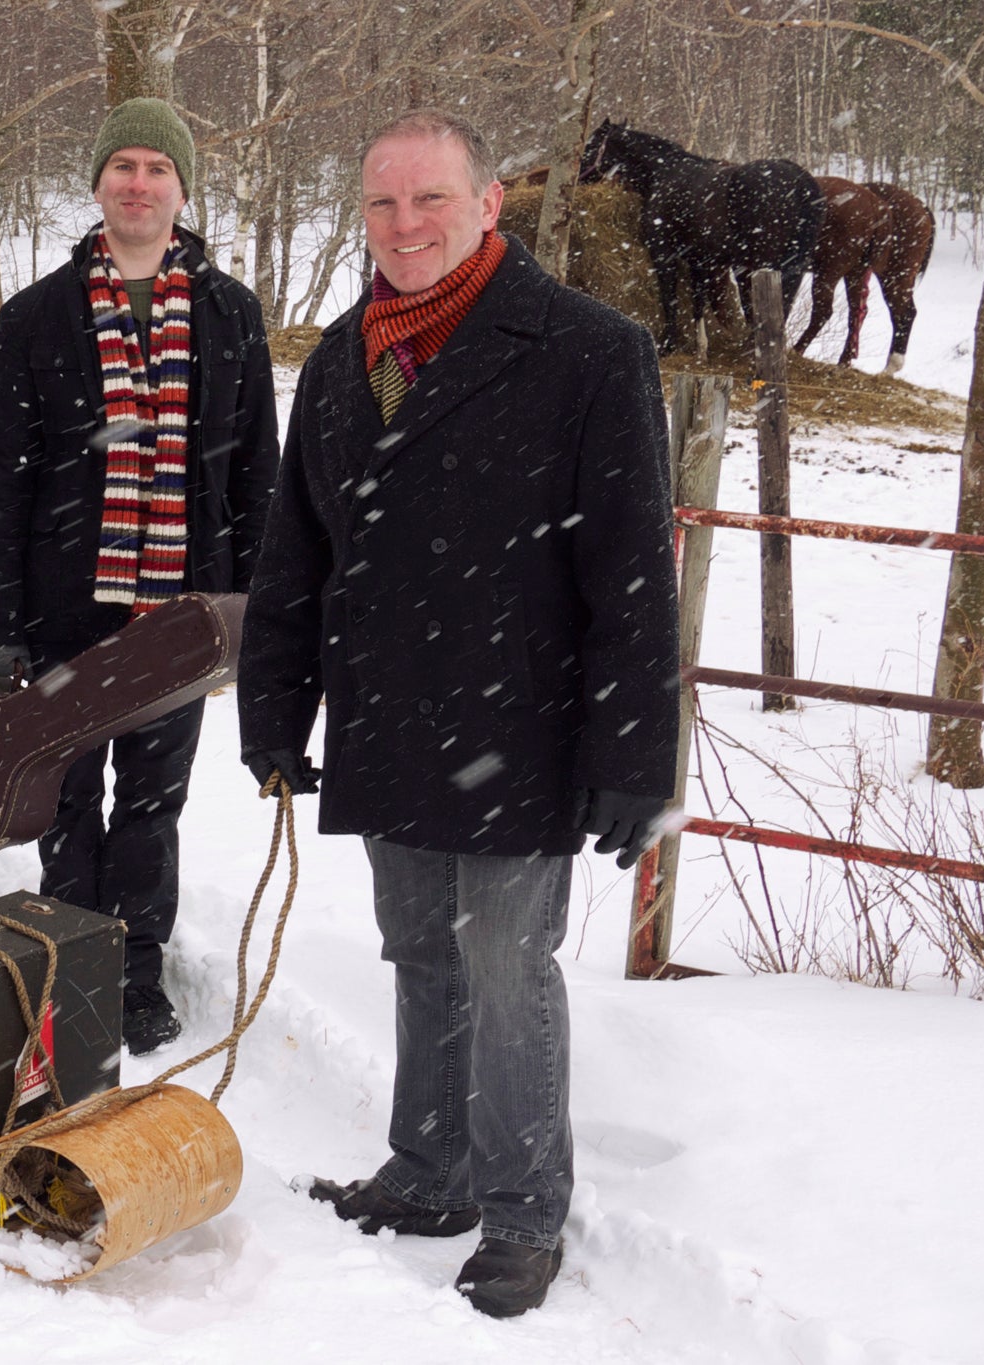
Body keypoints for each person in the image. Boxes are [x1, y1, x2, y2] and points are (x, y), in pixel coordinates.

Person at [236, 110, 679, 1318]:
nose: (404, 225)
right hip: (387, 717)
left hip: (518, 723)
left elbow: (631, 575)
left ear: (490, 205)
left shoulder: (587, 350)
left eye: (429, 199)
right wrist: (273, 710)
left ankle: (524, 1210)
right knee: (418, 951)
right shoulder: (343, 357)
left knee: (503, 961)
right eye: (381, 204)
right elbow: (296, 553)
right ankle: (429, 1172)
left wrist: (634, 758)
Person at [0, 97, 281, 1055]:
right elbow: (4, 476)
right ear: (97, 183)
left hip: (182, 610)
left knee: (153, 797)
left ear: (182, 189)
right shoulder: (37, 317)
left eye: (156, 168)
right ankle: (68, 955)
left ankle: (137, 963)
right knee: (65, 794)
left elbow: (255, 472)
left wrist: (255, 605)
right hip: (65, 601)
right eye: (123, 167)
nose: (138, 184)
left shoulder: (229, 313)